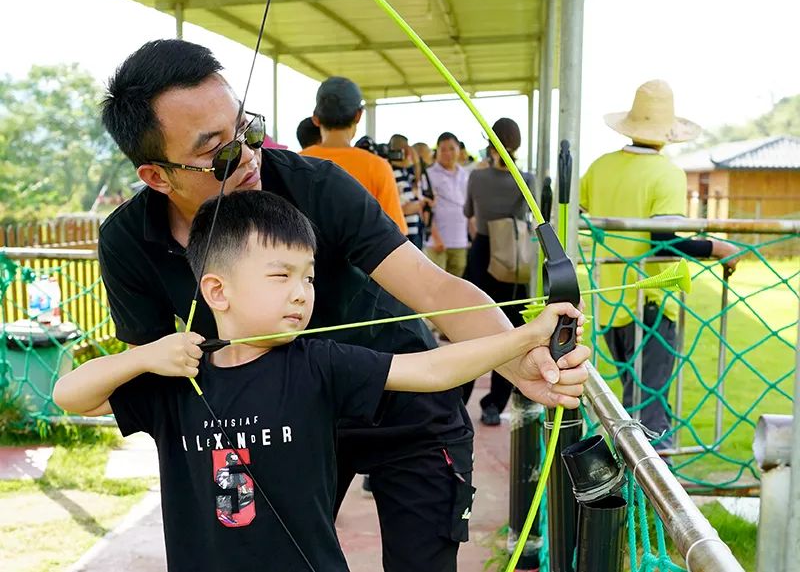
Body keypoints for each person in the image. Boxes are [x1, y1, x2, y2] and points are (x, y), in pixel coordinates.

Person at [95, 39, 590, 572]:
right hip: (284, 426)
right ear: (157, 175)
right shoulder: (129, 242)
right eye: (218, 151)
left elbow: (432, 288)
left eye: (249, 129)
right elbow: (151, 370)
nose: (250, 155)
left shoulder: (317, 185)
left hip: (405, 404)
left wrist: (517, 359)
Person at [54, 190, 586, 572]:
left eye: (307, 277)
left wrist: (524, 338)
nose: (302, 293)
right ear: (217, 291)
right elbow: (72, 395)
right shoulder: (180, 382)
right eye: (280, 276)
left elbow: (430, 369)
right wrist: (146, 356)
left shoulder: (317, 363)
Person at [580, 79, 740, 453]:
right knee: (650, 414)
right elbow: (665, 242)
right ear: (667, 131)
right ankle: (657, 504)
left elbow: (582, 211)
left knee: (634, 403)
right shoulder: (667, 173)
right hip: (649, 306)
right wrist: (719, 247)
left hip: (611, 303)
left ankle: (634, 489)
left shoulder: (601, 167)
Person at [460, 118, 536, 425]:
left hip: (481, 254)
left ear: (489, 143)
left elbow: (468, 212)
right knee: (510, 331)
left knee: (468, 330)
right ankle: (493, 405)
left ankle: (458, 399)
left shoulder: (477, 179)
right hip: (512, 259)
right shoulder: (526, 178)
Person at [299, 76, 407, 234]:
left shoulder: (294, 163)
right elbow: (396, 235)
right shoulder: (377, 167)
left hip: (306, 258)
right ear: (358, 115)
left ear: (316, 119)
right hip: (363, 258)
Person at [424, 132, 469, 277]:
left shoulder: (465, 175)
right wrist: (435, 237)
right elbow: (425, 209)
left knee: (457, 283)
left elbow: (467, 207)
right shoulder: (429, 174)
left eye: (451, 148)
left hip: (460, 241)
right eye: (443, 149)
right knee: (436, 284)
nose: (447, 153)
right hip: (436, 243)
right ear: (437, 151)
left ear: (459, 150)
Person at [388, 133, 429, 249]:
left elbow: (418, 180)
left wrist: (416, 162)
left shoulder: (406, 172)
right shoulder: (393, 173)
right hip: (405, 233)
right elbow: (404, 207)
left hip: (414, 230)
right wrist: (421, 203)